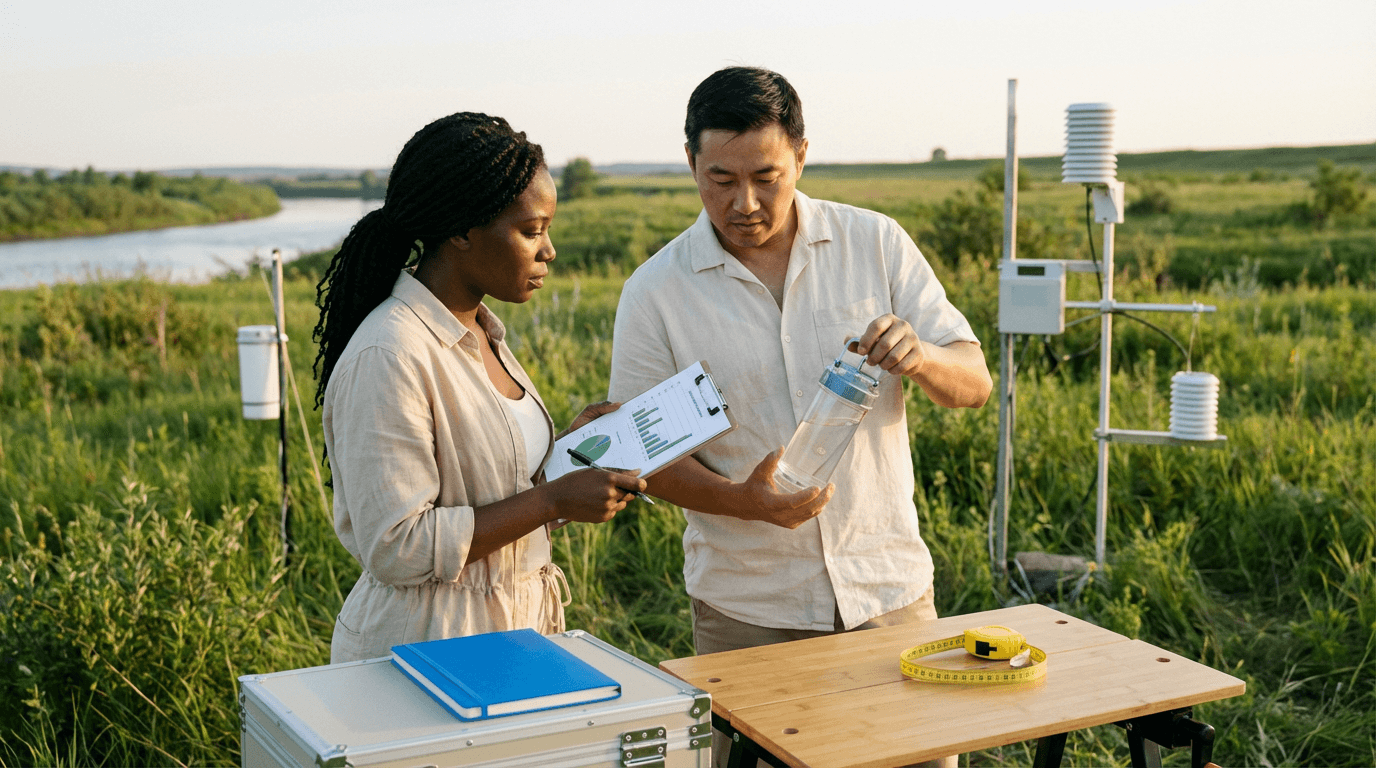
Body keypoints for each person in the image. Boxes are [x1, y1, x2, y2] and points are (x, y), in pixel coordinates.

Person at [609, 66, 992, 655]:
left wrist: (922, 358)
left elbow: (974, 383)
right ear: (690, 162)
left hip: (887, 594)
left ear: (802, 156)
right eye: (720, 179)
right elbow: (642, 454)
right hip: (748, 609)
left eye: (767, 178)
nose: (745, 203)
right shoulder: (656, 290)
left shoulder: (875, 243)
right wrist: (744, 503)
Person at [313, 112, 646, 664]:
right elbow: (395, 546)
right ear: (462, 230)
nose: (549, 251)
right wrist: (551, 499)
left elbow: (492, 487)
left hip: (509, 637)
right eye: (531, 230)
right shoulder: (389, 353)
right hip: (425, 649)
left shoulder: (481, 331)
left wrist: (566, 459)